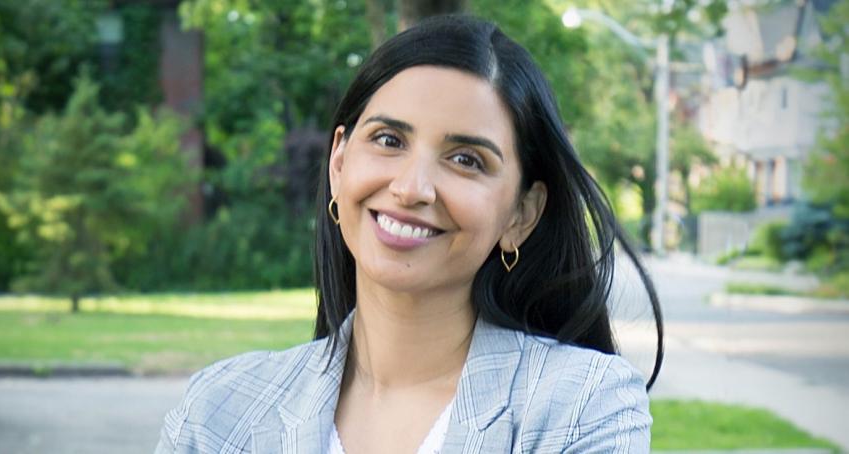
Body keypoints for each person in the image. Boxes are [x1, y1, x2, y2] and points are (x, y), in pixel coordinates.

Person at [155, 14, 663, 454]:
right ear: (339, 163)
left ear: (521, 215)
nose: (412, 188)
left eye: (466, 160)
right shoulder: (219, 411)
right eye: (388, 139)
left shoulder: (582, 404)